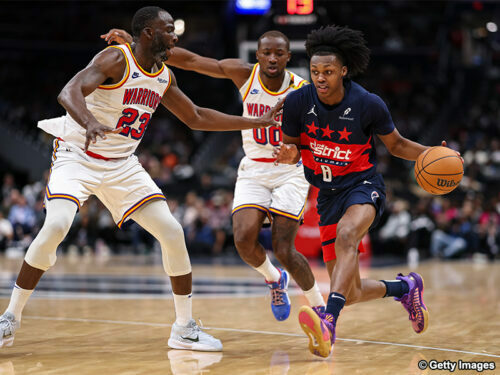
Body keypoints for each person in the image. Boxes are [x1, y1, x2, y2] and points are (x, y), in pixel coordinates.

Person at [0, 6, 283, 351]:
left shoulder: (163, 75)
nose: (175, 35)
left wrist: (255, 122)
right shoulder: (116, 59)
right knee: (57, 225)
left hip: (122, 164)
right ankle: (10, 318)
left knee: (172, 231)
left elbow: (195, 116)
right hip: (79, 155)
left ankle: (184, 328)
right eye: (168, 29)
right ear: (149, 33)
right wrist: (89, 121)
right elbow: (69, 91)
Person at [101, 28, 328, 320]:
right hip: (254, 168)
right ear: (257, 55)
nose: (272, 58)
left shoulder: (302, 91)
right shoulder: (245, 74)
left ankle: (321, 309)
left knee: (284, 248)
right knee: (244, 241)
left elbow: (319, 137)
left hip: (289, 171)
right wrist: (136, 46)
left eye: (278, 53)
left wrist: (297, 152)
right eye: (266, 53)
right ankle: (274, 278)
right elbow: (194, 61)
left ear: (288, 57)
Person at [274, 25, 440, 358]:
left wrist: (433, 153)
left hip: (362, 186)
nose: (320, 78)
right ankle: (406, 287)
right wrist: (290, 154)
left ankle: (328, 322)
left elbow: (396, 145)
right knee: (348, 291)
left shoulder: (367, 104)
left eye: (329, 72)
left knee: (348, 235)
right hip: (327, 194)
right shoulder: (296, 103)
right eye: (315, 71)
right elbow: (291, 148)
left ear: (344, 71)